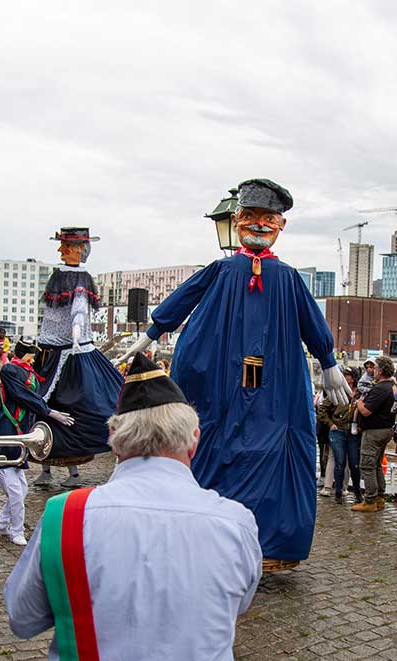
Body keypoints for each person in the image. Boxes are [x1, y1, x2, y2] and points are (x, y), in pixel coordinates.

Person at [5, 353, 262, 661]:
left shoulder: (64, 516)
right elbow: (236, 605)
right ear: (194, 439)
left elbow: (22, 619)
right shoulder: (236, 523)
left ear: (113, 437)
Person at [115, 180, 348, 563]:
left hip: (275, 378)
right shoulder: (222, 270)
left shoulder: (289, 279)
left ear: (281, 226)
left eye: (268, 218)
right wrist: (152, 332)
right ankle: (204, 537)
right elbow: (184, 298)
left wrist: (329, 363)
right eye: (250, 216)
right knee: (217, 443)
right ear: (238, 220)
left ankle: (271, 544)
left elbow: (311, 321)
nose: (258, 225)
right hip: (221, 375)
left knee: (275, 451)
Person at [33, 227, 123, 489]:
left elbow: (79, 310)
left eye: (67, 246)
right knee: (40, 409)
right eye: (62, 245)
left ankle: (75, 471)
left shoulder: (81, 280)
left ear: (79, 250)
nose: (61, 250)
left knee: (84, 408)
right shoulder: (58, 276)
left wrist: (75, 332)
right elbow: (53, 315)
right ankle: (46, 467)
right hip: (49, 353)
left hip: (72, 353)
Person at [0, 339, 74, 546]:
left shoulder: (29, 373)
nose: (35, 359)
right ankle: (16, 530)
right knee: (15, 492)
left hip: (18, 439)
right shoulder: (10, 370)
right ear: (27, 355)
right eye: (33, 355)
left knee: (21, 489)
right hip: (4, 438)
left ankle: (2, 523)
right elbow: (23, 395)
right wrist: (50, 412)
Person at [352, 355, 396, 512]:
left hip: (374, 432)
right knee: (376, 464)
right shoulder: (390, 386)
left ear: (382, 370)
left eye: (375, 367)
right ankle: (379, 497)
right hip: (385, 429)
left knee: (367, 465)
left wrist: (359, 403)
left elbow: (366, 411)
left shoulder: (380, 389)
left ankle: (370, 500)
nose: (373, 370)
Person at [318, 367, 362, 504]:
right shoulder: (337, 392)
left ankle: (357, 492)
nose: (345, 377)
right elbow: (322, 408)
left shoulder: (360, 393)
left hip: (354, 432)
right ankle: (337, 492)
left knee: (354, 463)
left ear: (353, 378)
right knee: (339, 462)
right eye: (344, 375)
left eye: (347, 375)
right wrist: (331, 424)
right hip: (338, 430)